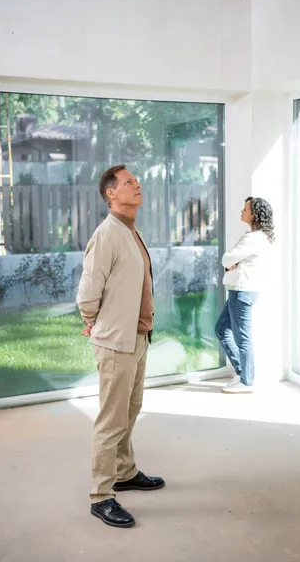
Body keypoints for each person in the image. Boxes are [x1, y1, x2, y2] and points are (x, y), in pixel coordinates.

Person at [77, 164, 165, 529]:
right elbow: (88, 289)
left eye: (137, 180)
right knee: (111, 421)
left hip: (138, 336)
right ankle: (101, 495)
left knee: (131, 410)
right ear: (111, 193)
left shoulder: (130, 231)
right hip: (116, 342)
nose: (137, 184)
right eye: (129, 182)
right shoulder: (108, 233)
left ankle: (125, 472)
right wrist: (91, 317)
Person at [215, 197, 274, 394]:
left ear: (254, 214)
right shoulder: (260, 238)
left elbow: (228, 258)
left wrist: (230, 261)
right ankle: (242, 371)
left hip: (241, 291)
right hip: (241, 290)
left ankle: (247, 381)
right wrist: (233, 262)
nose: (242, 211)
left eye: (245, 209)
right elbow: (233, 261)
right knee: (222, 329)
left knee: (242, 337)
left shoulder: (253, 238)